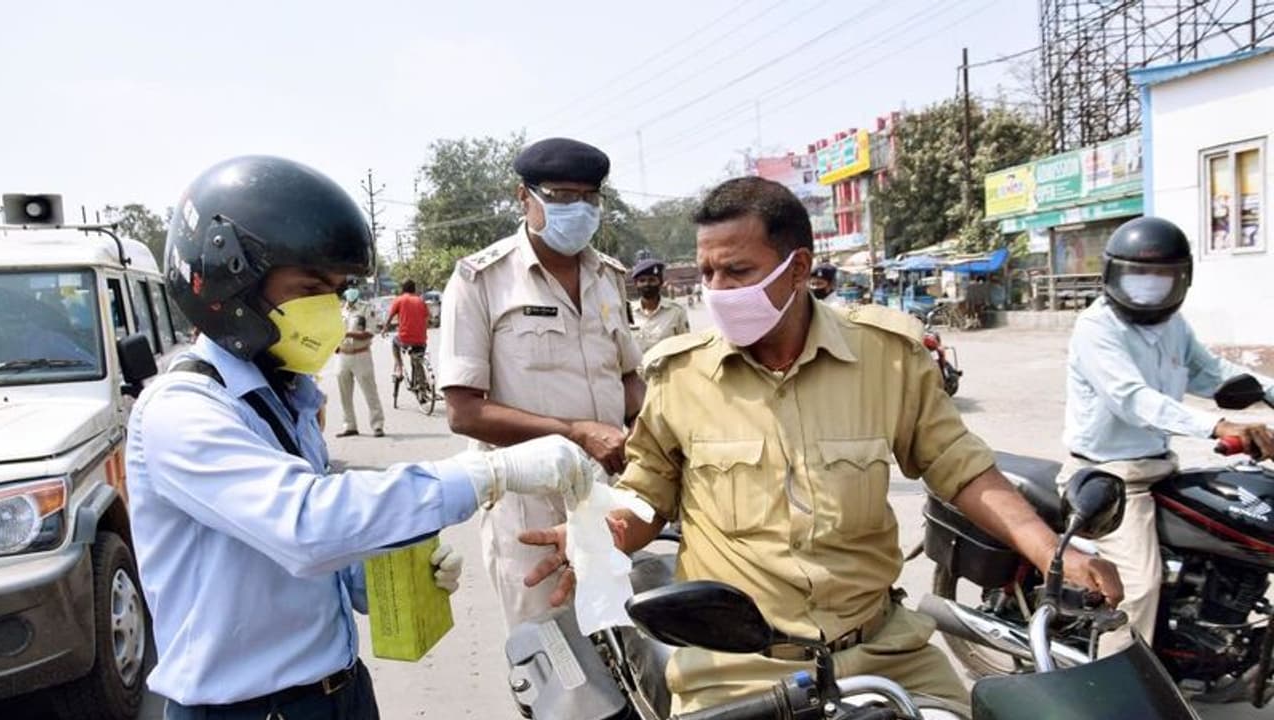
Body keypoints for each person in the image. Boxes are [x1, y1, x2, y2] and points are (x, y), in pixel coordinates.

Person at [522, 177, 1123, 714]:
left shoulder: (887, 358)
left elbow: (959, 468)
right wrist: (600, 536)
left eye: (737, 272)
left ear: (799, 267)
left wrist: (1053, 552)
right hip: (733, 671)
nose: (717, 290)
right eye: (707, 274)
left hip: (883, 653)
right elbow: (648, 492)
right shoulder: (679, 376)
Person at [126, 155, 605, 720]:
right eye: (310, 288)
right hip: (246, 709)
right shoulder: (183, 412)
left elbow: (298, 557)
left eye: (336, 290)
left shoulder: (284, 398)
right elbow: (306, 525)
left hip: (338, 693)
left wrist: (369, 574)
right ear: (233, 283)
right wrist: (488, 473)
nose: (331, 309)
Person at [438, 137, 644, 626]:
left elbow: (630, 380)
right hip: (530, 507)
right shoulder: (480, 280)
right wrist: (575, 432)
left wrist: (650, 435)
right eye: (561, 198)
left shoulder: (609, 275)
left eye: (589, 199)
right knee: (555, 658)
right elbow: (464, 411)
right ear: (523, 196)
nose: (578, 210)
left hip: (614, 495)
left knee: (627, 638)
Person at [1060, 215, 1274, 657]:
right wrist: (1216, 425)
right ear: (1112, 275)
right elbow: (1132, 398)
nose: (1149, 286)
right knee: (1137, 585)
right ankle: (1117, 692)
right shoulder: (1096, 327)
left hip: (1159, 467)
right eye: (1137, 275)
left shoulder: (1174, 327)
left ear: (1182, 279)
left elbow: (1213, 374)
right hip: (1110, 476)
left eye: (1162, 276)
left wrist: (1269, 392)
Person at [334, 287, 386, 437]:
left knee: (370, 392)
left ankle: (377, 425)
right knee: (344, 394)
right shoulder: (340, 309)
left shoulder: (366, 308)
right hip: (342, 355)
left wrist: (346, 334)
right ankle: (350, 426)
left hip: (361, 355)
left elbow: (369, 333)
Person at [629, 257, 690, 354]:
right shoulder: (627, 313)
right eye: (642, 280)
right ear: (636, 284)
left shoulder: (676, 312)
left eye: (652, 280)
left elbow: (686, 347)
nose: (647, 284)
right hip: (638, 369)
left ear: (660, 283)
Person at [384, 279, 429, 381]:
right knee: (417, 357)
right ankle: (422, 382)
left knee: (394, 342)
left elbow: (390, 317)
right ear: (414, 289)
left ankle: (399, 368)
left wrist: (384, 329)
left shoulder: (399, 300)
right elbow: (427, 319)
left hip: (405, 339)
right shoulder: (421, 300)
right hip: (421, 340)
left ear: (402, 289)